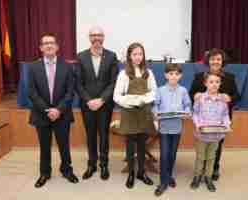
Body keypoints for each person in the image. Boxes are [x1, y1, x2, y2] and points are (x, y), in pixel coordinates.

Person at [28, 33, 79, 188]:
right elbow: (32, 92)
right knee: (44, 145)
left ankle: (66, 170)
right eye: (45, 43)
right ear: (41, 48)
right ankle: (44, 173)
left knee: (64, 144)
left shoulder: (68, 66)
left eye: (52, 42)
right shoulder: (33, 67)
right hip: (41, 114)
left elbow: (70, 92)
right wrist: (46, 110)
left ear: (56, 47)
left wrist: (58, 110)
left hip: (62, 114)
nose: (49, 45)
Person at [189, 48, 239, 181]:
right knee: (203, 144)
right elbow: (191, 93)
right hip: (204, 119)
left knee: (218, 144)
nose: (215, 61)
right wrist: (195, 95)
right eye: (212, 59)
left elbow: (237, 95)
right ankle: (201, 168)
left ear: (222, 61)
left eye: (218, 59)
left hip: (221, 119)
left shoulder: (229, 77)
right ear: (208, 61)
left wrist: (230, 97)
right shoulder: (199, 77)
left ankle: (214, 167)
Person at [76, 26, 119, 181]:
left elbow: (113, 82)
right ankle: (91, 164)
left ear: (103, 37)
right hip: (87, 105)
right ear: (89, 37)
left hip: (104, 104)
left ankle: (104, 165)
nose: (96, 38)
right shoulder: (81, 57)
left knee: (103, 135)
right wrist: (89, 100)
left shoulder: (111, 56)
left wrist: (101, 100)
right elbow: (78, 83)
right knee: (90, 135)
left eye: (99, 35)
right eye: (93, 35)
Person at [113, 42, 157, 189]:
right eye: (135, 54)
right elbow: (117, 96)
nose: (138, 57)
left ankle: (141, 172)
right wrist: (132, 101)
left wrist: (143, 99)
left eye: (140, 54)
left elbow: (153, 92)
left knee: (142, 144)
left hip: (144, 112)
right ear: (129, 56)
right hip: (129, 112)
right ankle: (131, 172)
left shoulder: (148, 73)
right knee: (130, 145)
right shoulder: (123, 74)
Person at [153, 64, 191, 196]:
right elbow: (155, 106)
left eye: (176, 74)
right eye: (171, 73)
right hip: (164, 128)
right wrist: (156, 113)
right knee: (164, 155)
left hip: (177, 128)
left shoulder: (183, 91)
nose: (173, 76)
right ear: (166, 75)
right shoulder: (160, 90)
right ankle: (163, 182)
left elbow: (187, 105)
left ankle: (169, 175)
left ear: (180, 76)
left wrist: (187, 112)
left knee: (172, 154)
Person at [190, 72, 231, 192]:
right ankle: (197, 176)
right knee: (200, 156)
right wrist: (198, 125)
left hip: (216, 135)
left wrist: (227, 125)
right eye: (211, 82)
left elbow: (225, 115)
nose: (214, 84)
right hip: (202, 134)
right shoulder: (200, 98)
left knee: (211, 157)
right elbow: (195, 113)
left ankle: (208, 177)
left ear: (220, 84)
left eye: (217, 82)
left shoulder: (222, 100)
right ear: (205, 83)